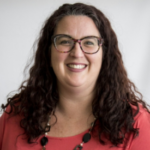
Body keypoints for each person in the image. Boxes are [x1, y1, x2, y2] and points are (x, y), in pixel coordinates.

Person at [0, 3, 150, 150]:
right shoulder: (16, 114)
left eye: (89, 42)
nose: (77, 53)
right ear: (48, 52)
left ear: (105, 56)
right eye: (65, 41)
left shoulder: (135, 124)